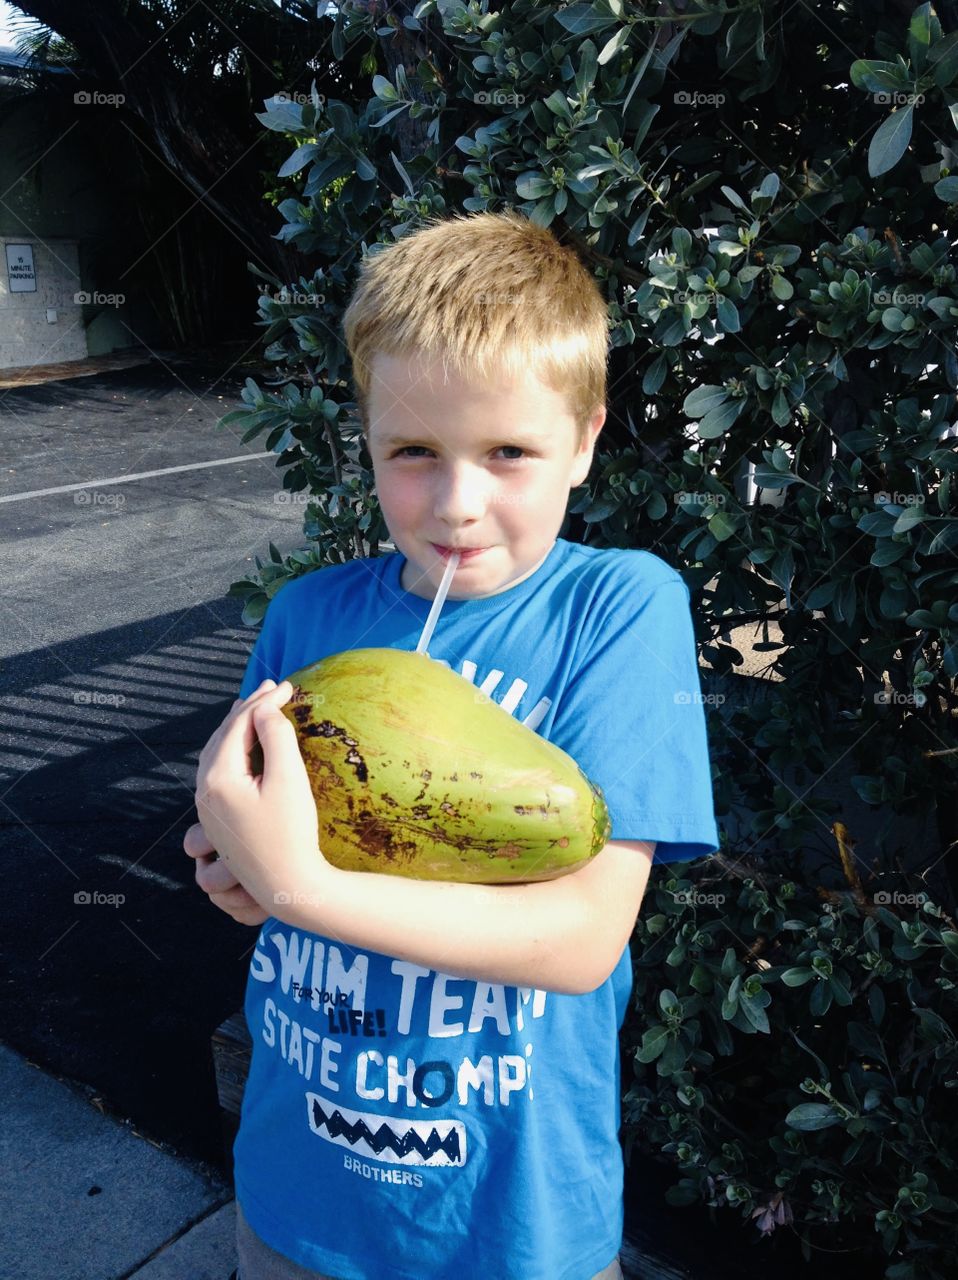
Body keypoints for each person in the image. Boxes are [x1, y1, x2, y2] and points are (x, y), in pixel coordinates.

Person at [185, 209, 721, 1280]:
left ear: (585, 440)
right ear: (369, 441)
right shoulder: (306, 614)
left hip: (506, 1226)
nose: (458, 504)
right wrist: (231, 865)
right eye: (414, 452)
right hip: (295, 1199)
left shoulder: (616, 608)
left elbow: (579, 939)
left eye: (508, 452)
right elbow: (242, 821)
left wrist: (295, 887)